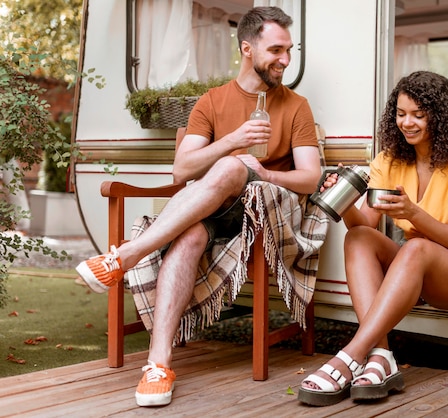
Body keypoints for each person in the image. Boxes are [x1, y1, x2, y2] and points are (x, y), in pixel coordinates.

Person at [75, 7, 321, 407]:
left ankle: (127, 255)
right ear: (247, 48)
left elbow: (309, 177)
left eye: (289, 50)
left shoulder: (296, 106)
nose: (285, 60)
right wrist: (234, 139)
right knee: (188, 235)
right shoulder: (212, 102)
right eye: (276, 50)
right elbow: (182, 168)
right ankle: (158, 365)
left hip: (261, 214)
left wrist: (261, 172)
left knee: (233, 165)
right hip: (208, 210)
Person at [298, 71, 448, 406]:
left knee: (417, 247)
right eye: (401, 114)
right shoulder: (388, 161)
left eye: (419, 115)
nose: (408, 123)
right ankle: (382, 357)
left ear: (441, 116)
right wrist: (344, 201)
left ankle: (350, 355)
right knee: (358, 238)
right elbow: (365, 225)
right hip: (411, 268)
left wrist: (412, 213)